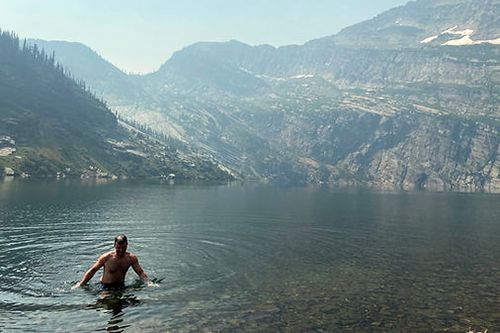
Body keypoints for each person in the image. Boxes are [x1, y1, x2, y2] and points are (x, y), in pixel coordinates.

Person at [72, 234, 156, 289]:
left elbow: (140, 272)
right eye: (118, 248)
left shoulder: (131, 258)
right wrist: (81, 284)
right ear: (114, 245)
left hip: (121, 285)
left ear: (127, 245)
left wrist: (148, 283)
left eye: (123, 248)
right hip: (105, 286)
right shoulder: (106, 257)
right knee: (105, 305)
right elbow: (93, 270)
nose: (120, 250)